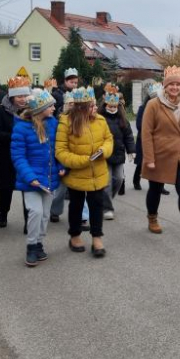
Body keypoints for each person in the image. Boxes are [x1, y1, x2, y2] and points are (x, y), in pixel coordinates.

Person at [140, 66, 180, 242]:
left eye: (177, 84)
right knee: (155, 189)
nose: (174, 87)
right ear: (164, 86)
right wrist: (149, 158)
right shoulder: (154, 105)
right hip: (159, 154)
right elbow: (146, 133)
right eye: (171, 84)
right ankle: (152, 217)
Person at [55, 86, 113, 257]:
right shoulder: (66, 122)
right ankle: (75, 235)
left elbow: (109, 139)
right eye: (91, 106)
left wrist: (104, 150)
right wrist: (83, 161)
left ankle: (97, 238)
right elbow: (60, 151)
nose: (95, 109)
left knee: (96, 205)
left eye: (94, 105)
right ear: (81, 108)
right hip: (77, 173)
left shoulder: (101, 120)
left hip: (98, 173)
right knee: (76, 205)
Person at [11, 89, 64, 266]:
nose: (54, 108)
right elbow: (18, 156)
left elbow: (57, 149)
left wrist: (61, 167)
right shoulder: (21, 127)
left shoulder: (53, 123)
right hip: (32, 181)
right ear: (41, 108)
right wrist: (29, 176)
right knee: (36, 211)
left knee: (45, 215)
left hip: (49, 178)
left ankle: (40, 242)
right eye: (51, 106)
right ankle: (31, 246)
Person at [0, 73, 31, 229]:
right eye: (18, 95)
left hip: (27, 155)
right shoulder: (1, 111)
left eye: (25, 95)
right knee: (6, 188)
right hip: (7, 155)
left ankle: (29, 220)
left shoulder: (32, 111)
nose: (22, 99)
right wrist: (16, 136)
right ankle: (3, 214)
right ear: (11, 96)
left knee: (28, 188)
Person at [100, 84, 135, 220]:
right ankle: (107, 208)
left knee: (119, 179)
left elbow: (129, 135)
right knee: (107, 181)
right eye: (110, 106)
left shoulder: (122, 119)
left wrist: (131, 150)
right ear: (105, 105)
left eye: (115, 107)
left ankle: (107, 199)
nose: (113, 108)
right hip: (105, 155)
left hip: (119, 154)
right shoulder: (100, 118)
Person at [49, 68, 80, 221]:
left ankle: (83, 215)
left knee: (80, 183)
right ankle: (55, 210)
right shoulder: (56, 95)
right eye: (71, 81)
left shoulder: (80, 93)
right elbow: (53, 115)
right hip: (62, 137)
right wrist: (64, 110)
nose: (74, 85)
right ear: (65, 81)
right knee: (61, 183)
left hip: (77, 137)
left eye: (76, 82)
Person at [133, 83, 169, 197]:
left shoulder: (165, 108)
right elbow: (139, 125)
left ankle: (160, 186)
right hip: (145, 140)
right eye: (154, 97)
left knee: (160, 164)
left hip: (159, 141)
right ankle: (136, 180)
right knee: (141, 162)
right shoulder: (142, 108)